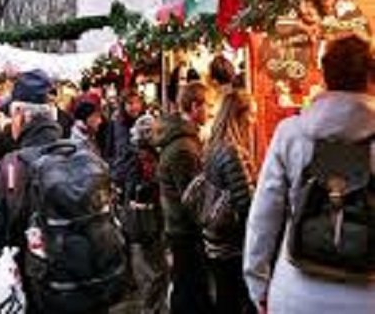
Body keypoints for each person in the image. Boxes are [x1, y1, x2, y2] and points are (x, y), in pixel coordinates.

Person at [0, 70, 125, 314]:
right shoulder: (88, 158)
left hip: (37, 301)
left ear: (20, 116)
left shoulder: (5, 172)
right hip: (90, 297)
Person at [244, 35, 375, 314]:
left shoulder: (291, 133)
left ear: (325, 76)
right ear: (370, 77)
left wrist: (257, 284)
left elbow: (263, 217)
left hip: (296, 290)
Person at [155, 81, 212, 314]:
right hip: (185, 230)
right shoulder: (184, 148)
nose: (209, 111)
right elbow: (192, 196)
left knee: (188, 284)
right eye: (207, 105)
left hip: (181, 227)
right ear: (195, 106)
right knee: (189, 286)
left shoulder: (185, 141)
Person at [202, 89, 256, 314]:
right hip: (231, 241)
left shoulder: (212, 145)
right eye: (250, 114)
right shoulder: (233, 151)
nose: (253, 120)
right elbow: (245, 203)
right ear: (239, 115)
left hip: (214, 237)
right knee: (233, 298)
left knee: (225, 295)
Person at [122, 114, 168, 314]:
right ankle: (151, 309)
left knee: (155, 270)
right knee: (155, 271)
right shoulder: (142, 156)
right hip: (148, 220)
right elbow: (137, 187)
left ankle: (154, 307)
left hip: (148, 219)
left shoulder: (139, 154)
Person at [108, 90, 145, 181]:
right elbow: (122, 148)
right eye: (130, 103)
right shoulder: (119, 124)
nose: (135, 106)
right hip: (123, 173)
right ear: (123, 106)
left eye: (137, 102)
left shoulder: (142, 121)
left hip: (138, 173)